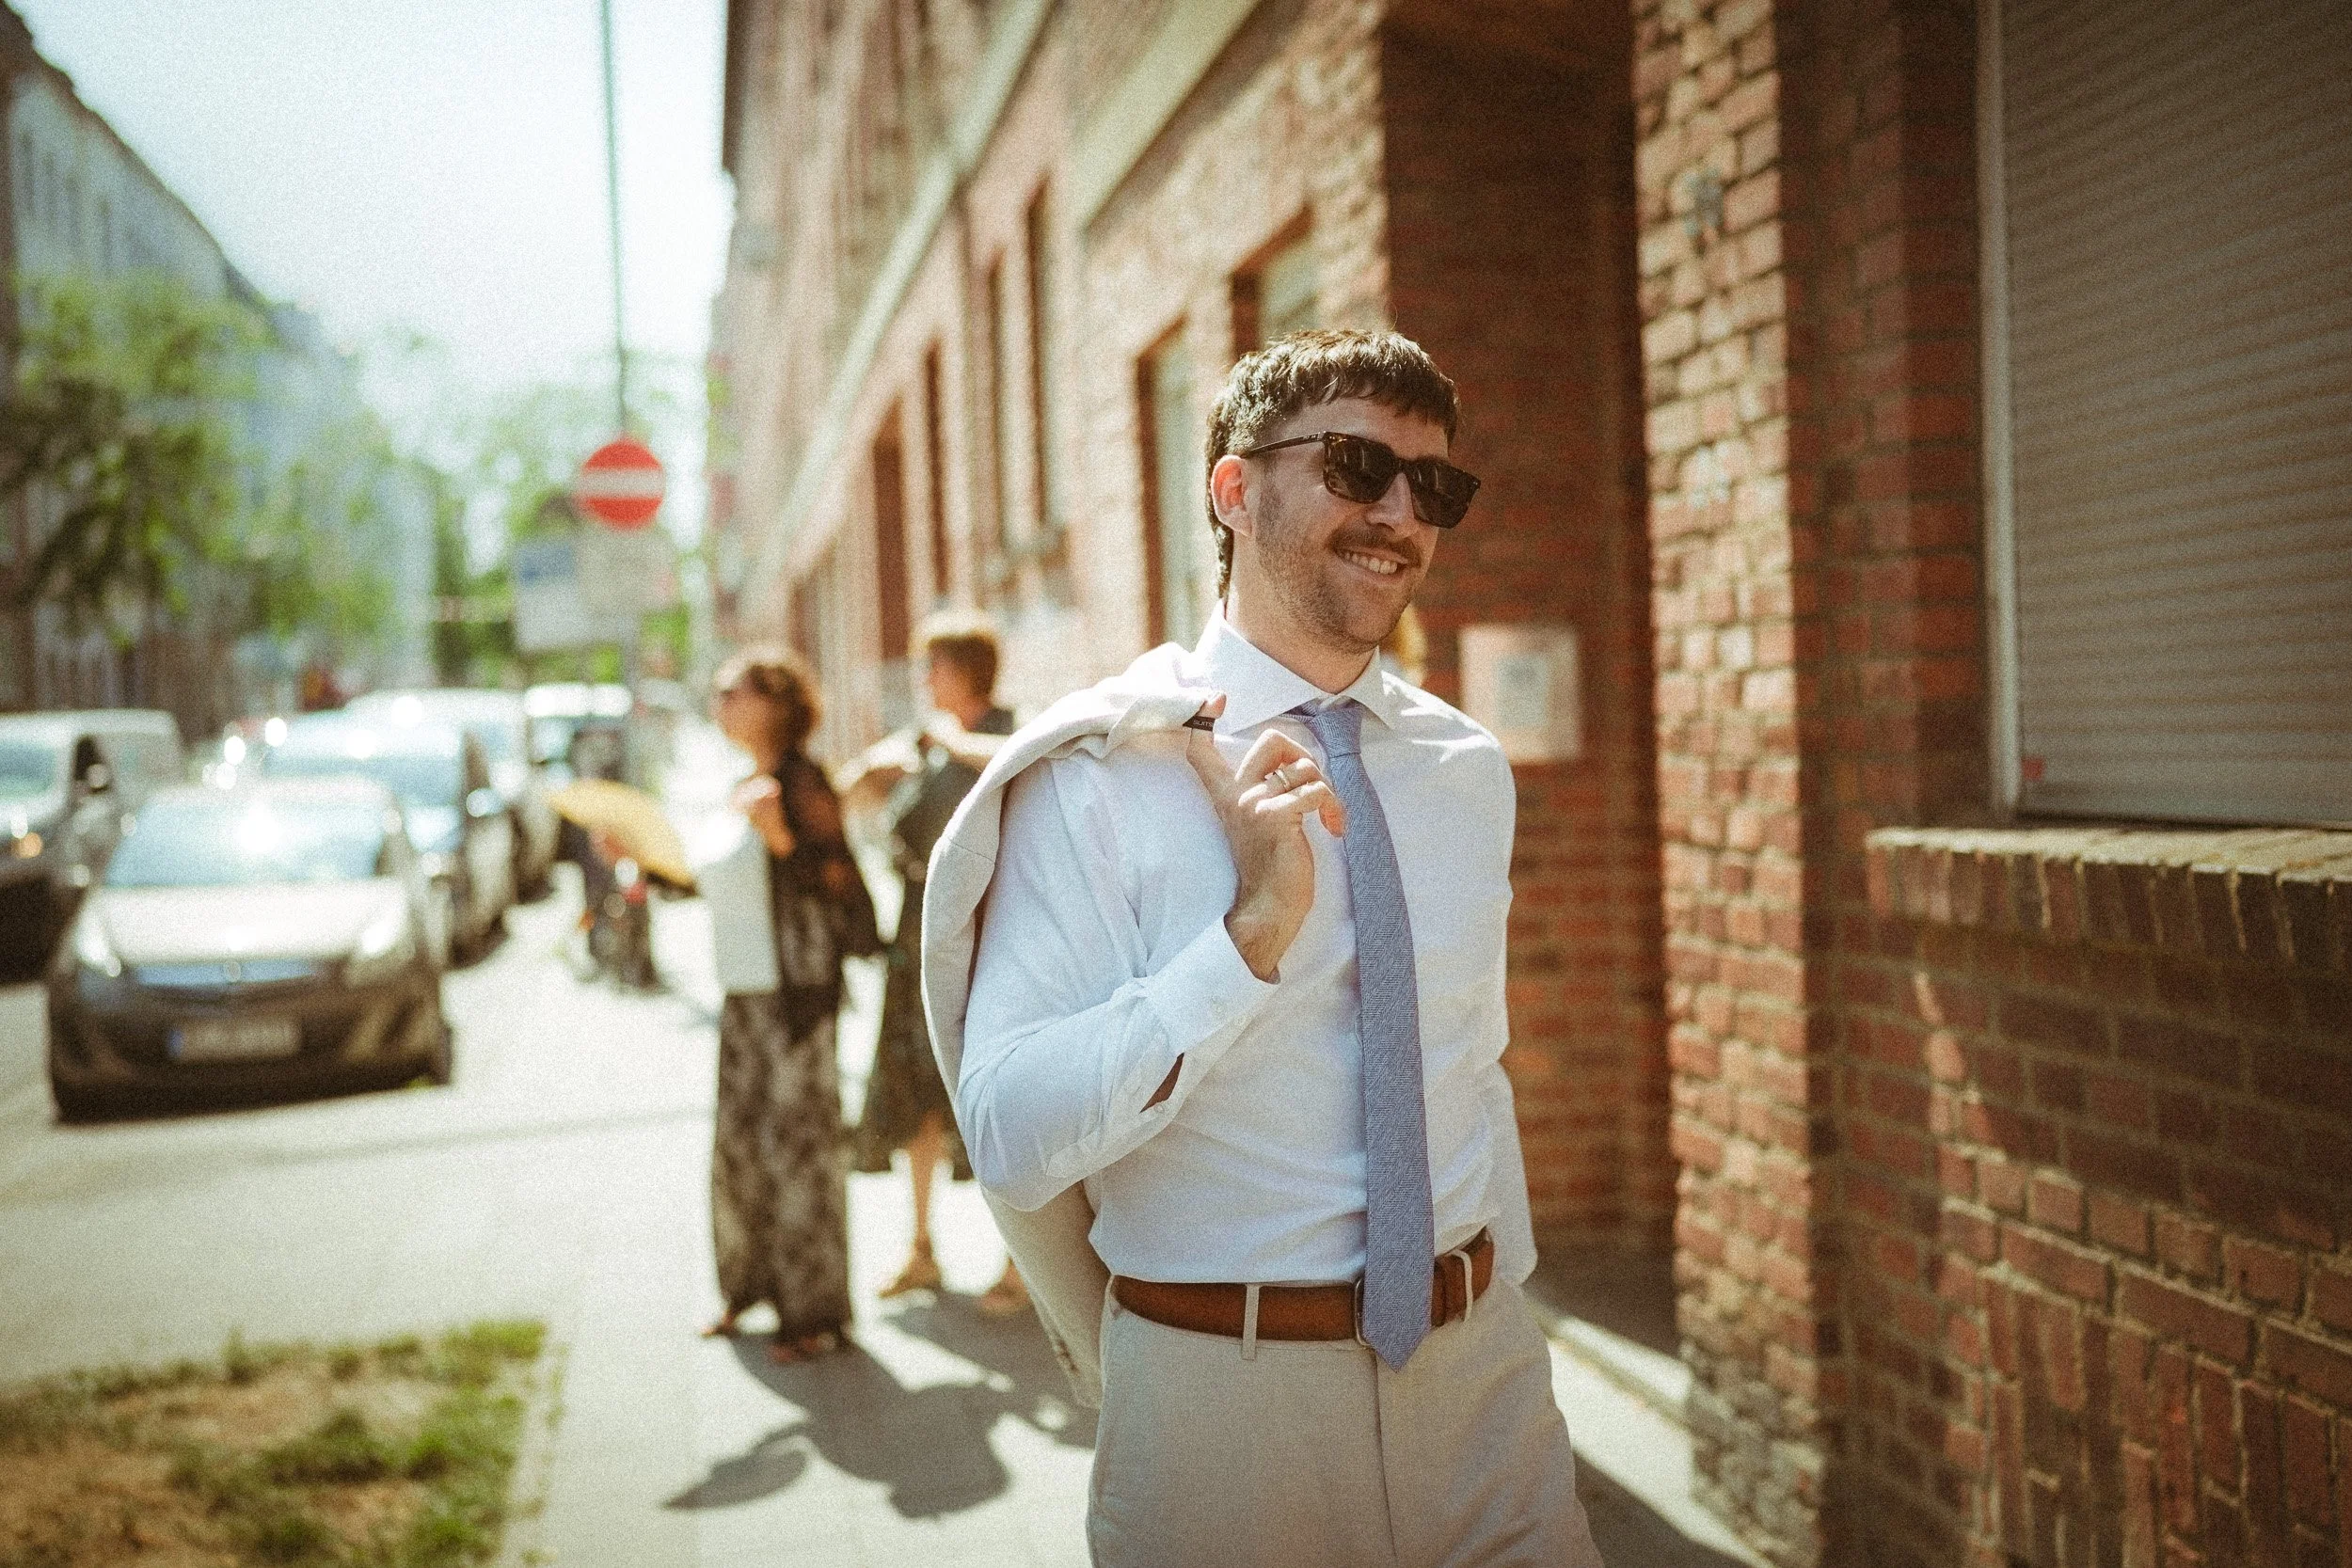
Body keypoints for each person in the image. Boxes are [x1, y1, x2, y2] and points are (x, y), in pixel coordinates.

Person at [935, 330, 1603, 1564]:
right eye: (1358, 467)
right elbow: (1010, 1132)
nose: (1402, 512)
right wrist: (1244, 943)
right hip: (1225, 1416)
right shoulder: (1100, 777)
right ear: (1234, 490)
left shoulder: (1462, 766)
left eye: (1434, 487)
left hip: (1486, 1387)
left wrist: (1502, 1288)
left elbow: (1468, 1056)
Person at [842, 615, 1029, 1315]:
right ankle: (921, 1249)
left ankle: (1021, 1265)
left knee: (998, 1106)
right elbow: (864, 803)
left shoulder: (1006, 730)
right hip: (916, 941)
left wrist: (948, 742)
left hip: (989, 942)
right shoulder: (927, 749)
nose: (924, 683)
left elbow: (1017, 759)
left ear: (961, 671)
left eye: (932, 668)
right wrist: (874, 772)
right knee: (915, 1096)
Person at [703, 646, 881, 1364]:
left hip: (796, 998)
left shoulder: (802, 782)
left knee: (800, 1153)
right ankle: (745, 1290)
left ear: (773, 702)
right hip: (742, 992)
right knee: (739, 1148)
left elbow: (847, 899)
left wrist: (782, 840)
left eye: (730, 689)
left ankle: (814, 1313)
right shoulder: (742, 782)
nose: (719, 702)